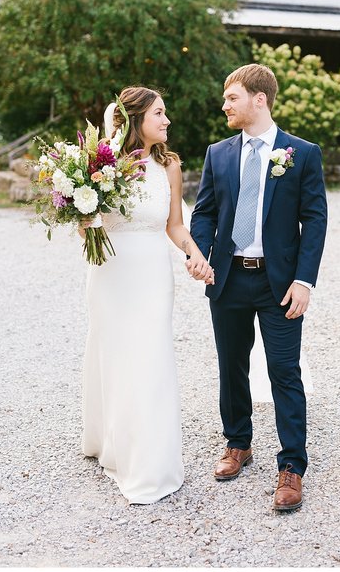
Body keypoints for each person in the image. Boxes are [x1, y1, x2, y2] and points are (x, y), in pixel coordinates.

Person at [190, 63, 327, 513]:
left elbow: (315, 220)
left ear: (259, 99)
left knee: (284, 372)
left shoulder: (301, 153)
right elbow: (205, 211)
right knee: (231, 365)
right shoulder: (219, 153)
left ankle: (291, 467)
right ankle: (238, 444)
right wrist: (201, 254)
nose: (224, 105)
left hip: (280, 284)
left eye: (232, 98)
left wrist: (305, 280)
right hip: (228, 279)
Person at [81, 86, 213, 505]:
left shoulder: (170, 167)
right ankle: (112, 442)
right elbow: (88, 220)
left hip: (153, 275)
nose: (167, 120)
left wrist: (196, 255)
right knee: (115, 355)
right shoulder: (103, 164)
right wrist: (83, 216)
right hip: (110, 272)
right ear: (135, 119)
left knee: (151, 358)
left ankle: (150, 461)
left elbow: (175, 225)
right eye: (159, 113)